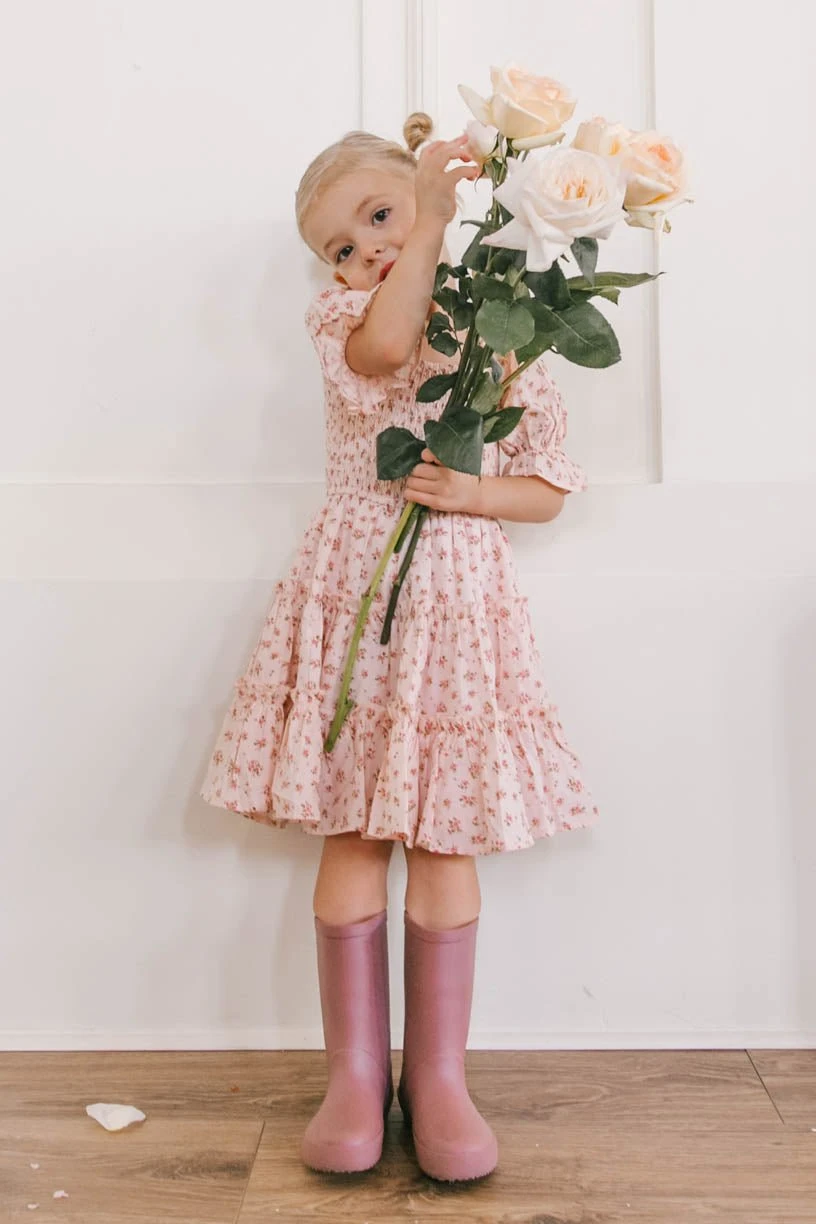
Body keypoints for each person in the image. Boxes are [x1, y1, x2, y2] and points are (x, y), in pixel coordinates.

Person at [200, 111, 598, 1183]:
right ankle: (354, 1077)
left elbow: (550, 487)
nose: (366, 248)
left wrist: (473, 491)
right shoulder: (346, 319)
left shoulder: (502, 330)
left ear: (428, 206)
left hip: (456, 612)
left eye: (381, 216)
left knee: (444, 842)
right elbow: (387, 343)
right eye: (342, 243)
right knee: (351, 834)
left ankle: (440, 1078)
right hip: (355, 603)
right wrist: (424, 220)